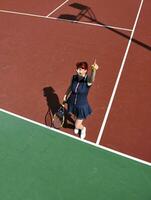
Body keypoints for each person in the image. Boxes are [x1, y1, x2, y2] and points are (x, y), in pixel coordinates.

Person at [63, 60, 99, 139]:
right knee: (75, 116)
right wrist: (66, 95)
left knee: (77, 124)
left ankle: (82, 128)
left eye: (80, 69)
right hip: (72, 102)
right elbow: (70, 87)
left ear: (85, 71)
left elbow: (92, 79)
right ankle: (77, 126)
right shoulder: (74, 77)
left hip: (81, 106)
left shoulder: (87, 80)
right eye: (77, 69)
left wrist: (94, 70)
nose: (78, 70)